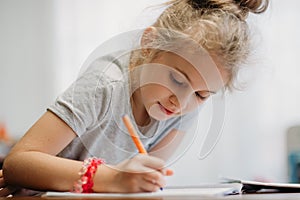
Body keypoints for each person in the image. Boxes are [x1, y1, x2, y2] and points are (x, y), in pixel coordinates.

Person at [0, 0, 269, 196]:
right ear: (149, 45)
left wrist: (142, 182)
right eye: (176, 79)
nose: (181, 103)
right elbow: (18, 163)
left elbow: (143, 183)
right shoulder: (104, 86)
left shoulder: (183, 113)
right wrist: (115, 178)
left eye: (201, 95)